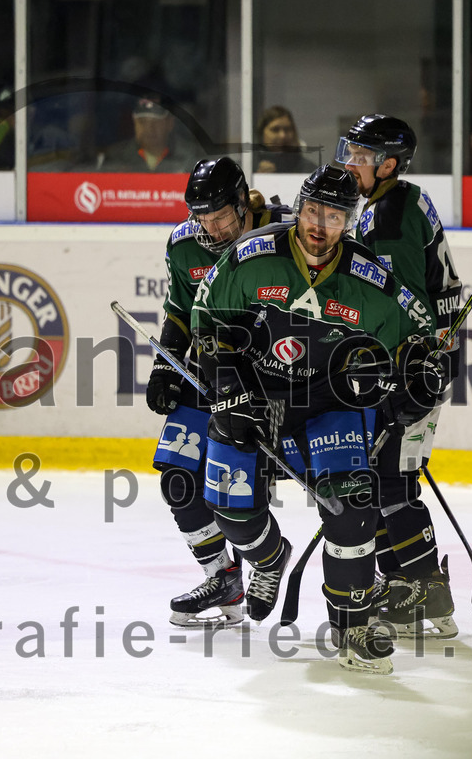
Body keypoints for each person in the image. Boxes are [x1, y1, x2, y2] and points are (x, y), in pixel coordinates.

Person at [191, 164, 442, 674]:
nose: (319, 225)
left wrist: (417, 376)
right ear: (299, 209)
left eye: (333, 216)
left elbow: (411, 340)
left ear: (350, 221)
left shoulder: (369, 279)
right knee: (231, 510)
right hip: (256, 396)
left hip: (328, 403)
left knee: (353, 505)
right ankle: (268, 557)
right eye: (312, 211)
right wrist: (228, 387)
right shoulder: (252, 256)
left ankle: (353, 627)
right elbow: (207, 322)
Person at [147, 157, 290, 628]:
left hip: (269, 380)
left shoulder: (284, 234)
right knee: (176, 478)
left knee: (237, 492)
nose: (209, 228)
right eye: (200, 216)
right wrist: (165, 365)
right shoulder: (184, 244)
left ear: (241, 202)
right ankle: (222, 578)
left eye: (220, 216)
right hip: (208, 373)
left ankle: (269, 559)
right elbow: (179, 310)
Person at [336, 115, 462, 639]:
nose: (350, 162)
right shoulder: (399, 200)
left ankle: (429, 591)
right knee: (382, 477)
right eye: (349, 151)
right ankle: (403, 584)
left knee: (393, 482)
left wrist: (406, 372)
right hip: (416, 362)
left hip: (414, 367)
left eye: (360, 156)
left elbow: (406, 307)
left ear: (388, 165)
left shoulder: (389, 217)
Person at [98, 97, 196, 173]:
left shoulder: (190, 158)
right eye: (142, 122)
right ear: (134, 124)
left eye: (156, 122)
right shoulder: (115, 157)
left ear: (170, 123)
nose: (149, 129)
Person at [254, 106, 316, 173]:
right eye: (275, 129)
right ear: (261, 133)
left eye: (287, 129)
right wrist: (258, 176)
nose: (283, 136)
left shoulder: (309, 170)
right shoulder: (250, 166)